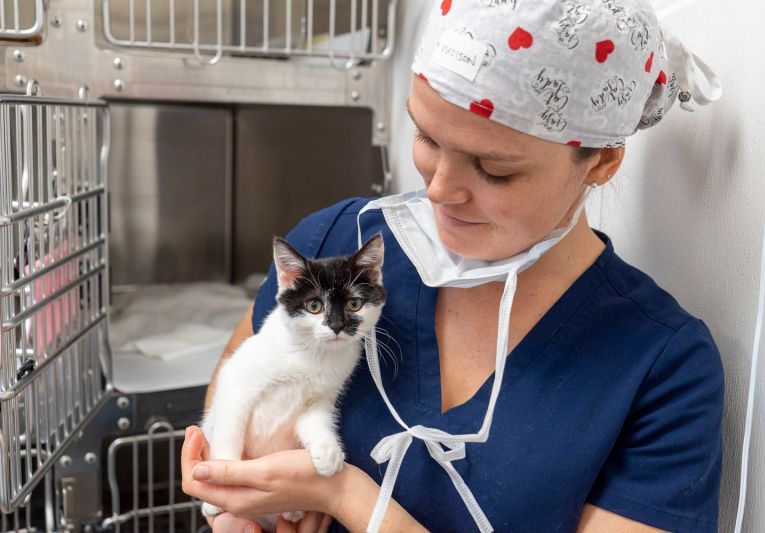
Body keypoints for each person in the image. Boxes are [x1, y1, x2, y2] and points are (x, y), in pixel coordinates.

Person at [181, 1, 725, 531]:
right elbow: (241, 368)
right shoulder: (336, 241)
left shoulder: (661, 367)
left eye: (493, 169)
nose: (439, 190)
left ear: (602, 161)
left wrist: (346, 495)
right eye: (426, 137)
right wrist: (239, 496)